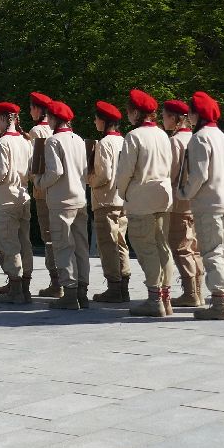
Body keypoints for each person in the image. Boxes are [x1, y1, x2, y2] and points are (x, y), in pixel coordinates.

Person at [113, 90, 174, 318]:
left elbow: (125, 171)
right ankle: (165, 297)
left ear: (136, 112)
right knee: (162, 246)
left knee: (146, 247)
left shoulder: (134, 136)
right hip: (163, 195)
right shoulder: (162, 135)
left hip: (142, 196)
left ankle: (154, 298)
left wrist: (124, 192)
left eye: (129, 111)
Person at [180, 92, 224, 320]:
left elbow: (198, 175)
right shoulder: (222, 137)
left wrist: (184, 192)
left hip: (210, 203)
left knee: (212, 252)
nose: (189, 117)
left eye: (190, 113)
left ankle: (219, 302)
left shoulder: (200, 138)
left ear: (197, 114)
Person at [35, 101, 89, 310]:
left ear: (54, 119)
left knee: (64, 246)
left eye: (49, 117)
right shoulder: (78, 139)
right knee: (81, 247)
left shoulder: (53, 141)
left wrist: (39, 181)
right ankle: (82, 291)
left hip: (61, 201)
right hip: (80, 198)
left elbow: (55, 172)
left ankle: (70, 292)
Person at [0, 101, 34, 304]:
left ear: (5, 119)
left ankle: (15, 289)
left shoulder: (2, 143)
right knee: (24, 243)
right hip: (23, 196)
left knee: (9, 244)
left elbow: (0, 174)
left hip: (5, 199)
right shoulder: (25, 141)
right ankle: (25, 287)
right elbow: (30, 171)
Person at [163, 99, 205, 309]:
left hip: (179, 199)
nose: (163, 120)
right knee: (194, 246)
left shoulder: (175, 141)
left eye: (165, 116)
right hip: (196, 199)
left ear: (174, 118)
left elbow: (170, 172)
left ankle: (190, 292)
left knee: (180, 246)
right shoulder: (195, 137)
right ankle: (198, 290)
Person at [88, 101, 132, 303]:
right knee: (121, 243)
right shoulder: (124, 141)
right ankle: (124, 285)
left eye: (97, 118)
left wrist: (90, 180)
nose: (95, 121)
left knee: (107, 245)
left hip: (105, 199)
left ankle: (114, 287)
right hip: (122, 198)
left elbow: (103, 174)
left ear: (104, 121)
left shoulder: (104, 143)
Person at [26, 92, 60, 299]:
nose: (30, 111)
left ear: (39, 110)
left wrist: (32, 178)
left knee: (49, 237)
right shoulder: (60, 129)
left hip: (42, 191)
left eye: (31, 107)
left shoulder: (37, 130)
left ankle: (56, 282)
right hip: (60, 191)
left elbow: (33, 162)